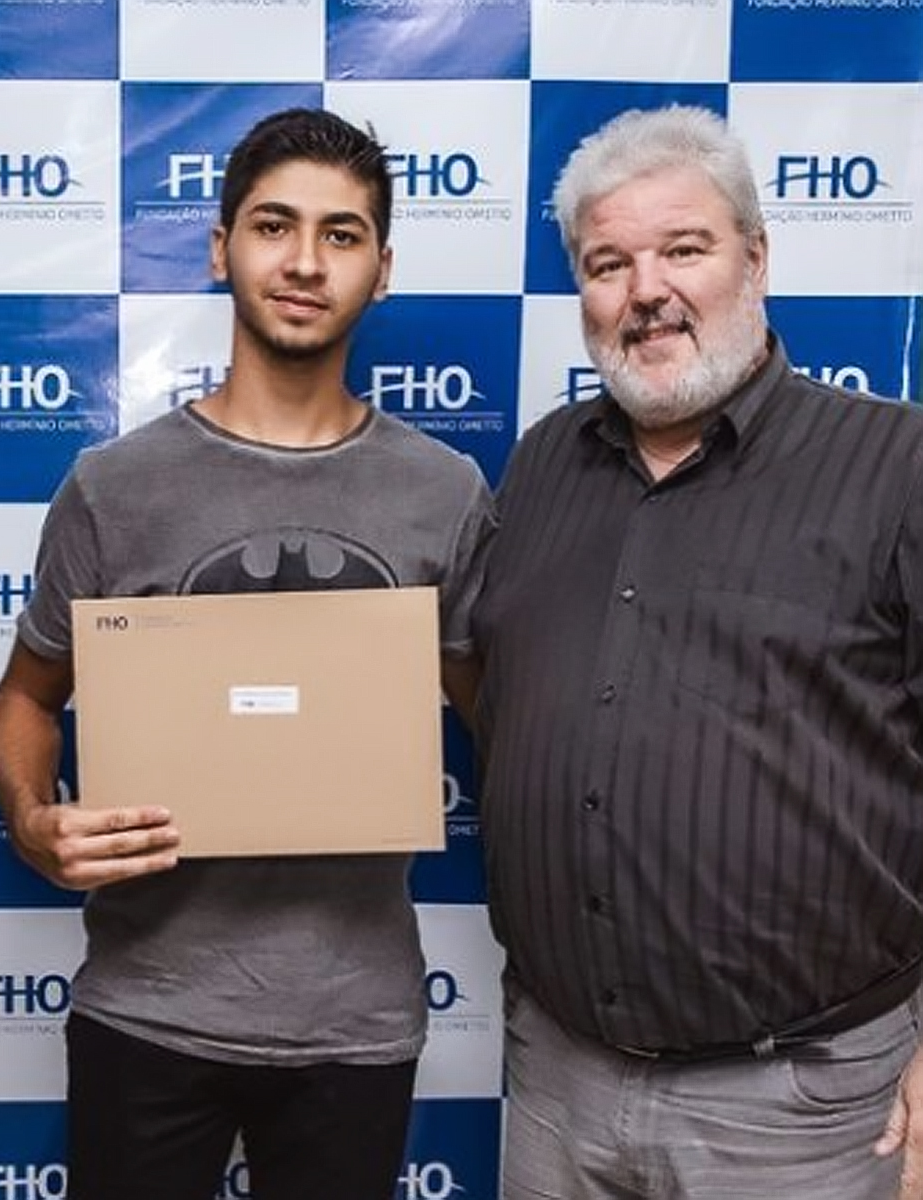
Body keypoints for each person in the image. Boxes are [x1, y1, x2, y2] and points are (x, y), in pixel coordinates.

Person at [0, 107, 495, 1200]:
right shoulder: (113, 488)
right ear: (222, 249)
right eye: (274, 226)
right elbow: (25, 697)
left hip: (355, 1023)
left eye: (342, 235)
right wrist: (32, 822)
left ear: (382, 270)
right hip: (146, 1010)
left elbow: (503, 722)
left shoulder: (446, 494)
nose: (305, 262)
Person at [473, 103, 923, 1199]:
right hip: (558, 1084)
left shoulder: (897, 467)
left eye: (684, 250)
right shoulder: (541, 466)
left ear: (755, 259)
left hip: (801, 1110)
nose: (647, 291)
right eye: (608, 264)